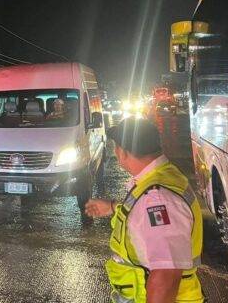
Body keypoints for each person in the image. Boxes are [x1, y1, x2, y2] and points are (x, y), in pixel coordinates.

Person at [85, 118, 203, 303]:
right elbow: (144, 219)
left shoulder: (157, 200)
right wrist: (113, 206)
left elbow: (165, 276)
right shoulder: (163, 176)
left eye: (116, 148)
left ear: (123, 152)